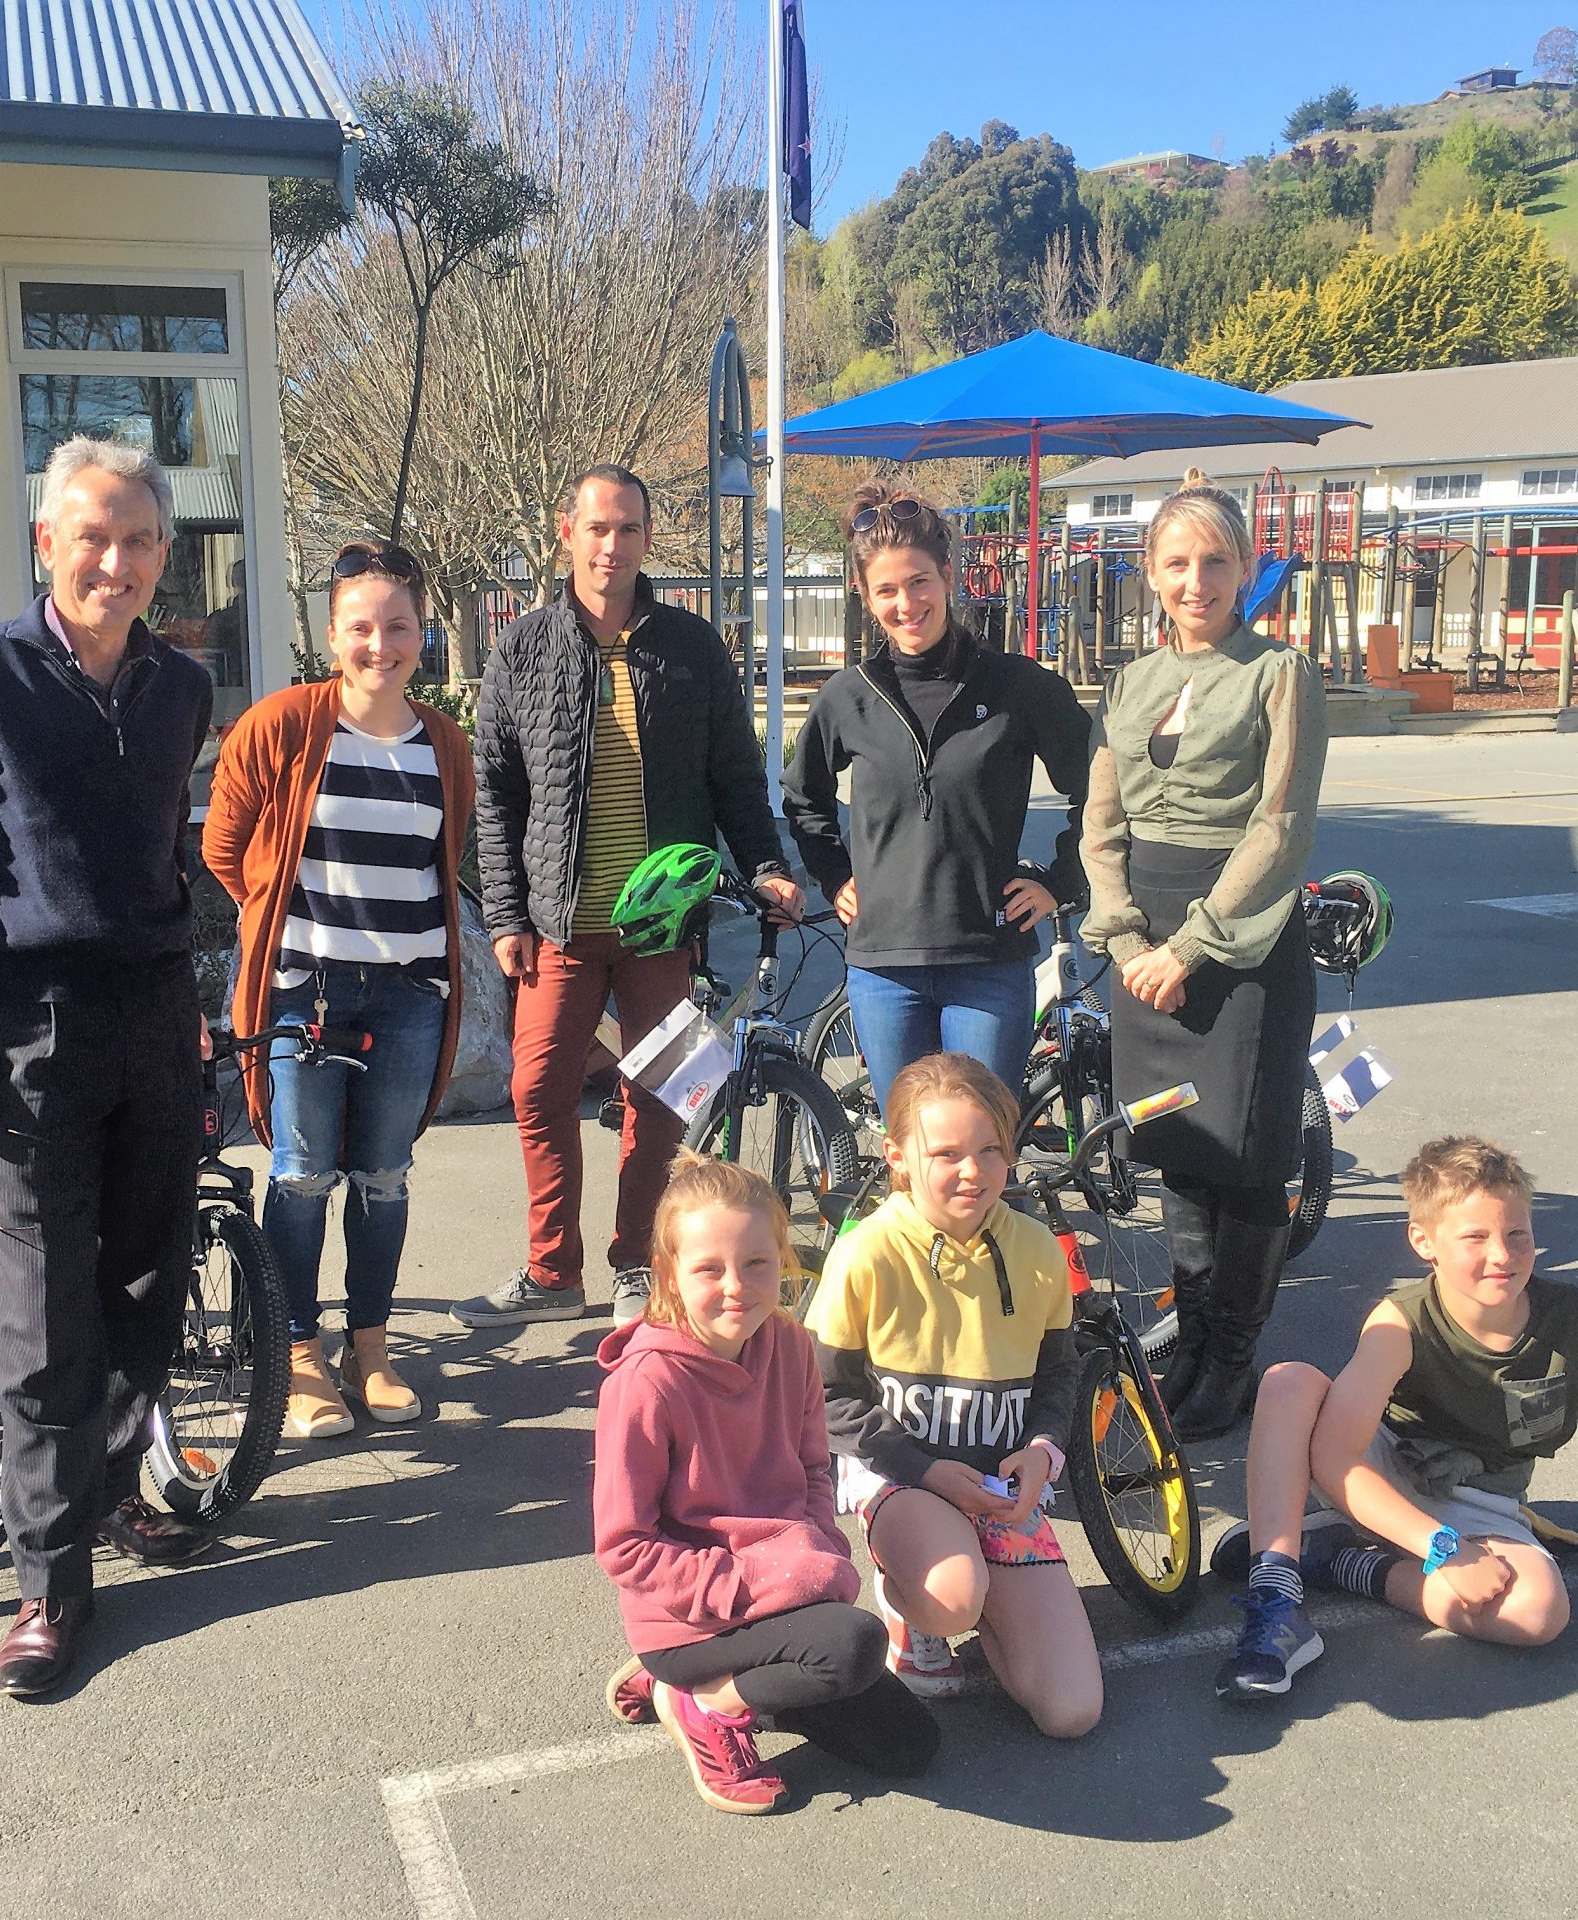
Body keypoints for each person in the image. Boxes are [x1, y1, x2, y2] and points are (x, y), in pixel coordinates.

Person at [0, 436, 218, 1697]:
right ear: (47, 542)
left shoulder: (178, 690)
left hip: (150, 1013)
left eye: (141, 541)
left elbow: (163, 862)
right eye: (94, 535)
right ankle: (47, 1583)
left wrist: (187, 1004)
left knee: (147, 1281)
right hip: (28, 1027)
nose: (118, 561)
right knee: (42, 1314)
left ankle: (124, 1481)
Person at [1211, 1135, 1578, 1701]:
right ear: (1424, 1241)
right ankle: (1276, 1599)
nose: (1502, 1254)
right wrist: (1445, 1549)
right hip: (1380, 1474)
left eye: (1518, 1234)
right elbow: (1336, 1458)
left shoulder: (1570, 1315)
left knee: (1537, 1614)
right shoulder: (1400, 1323)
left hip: (1478, 1504)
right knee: (1288, 1381)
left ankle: (1337, 1561)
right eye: (1476, 1236)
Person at [457, 465, 801, 1332]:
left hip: (661, 928)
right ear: (565, 532)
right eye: (598, 527)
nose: (613, 545)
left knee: (661, 1097)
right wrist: (504, 915)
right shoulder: (523, 649)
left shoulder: (691, 649)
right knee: (536, 1090)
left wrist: (762, 865)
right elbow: (492, 795)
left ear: (648, 539)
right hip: (557, 927)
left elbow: (735, 776)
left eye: (629, 529)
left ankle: (635, 1265)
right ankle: (551, 1268)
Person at [201, 541, 476, 1441]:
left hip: (409, 993)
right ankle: (296, 1357)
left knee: (385, 1177)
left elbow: (446, 854)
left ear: (422, 631)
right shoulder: (282, 725)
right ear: (332, 634)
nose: (380, 644)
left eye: (398, 625)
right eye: (361, 626)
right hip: (305, 990)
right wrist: (283, 924)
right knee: (303, 1171)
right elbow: (225, 848)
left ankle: (372, 1346)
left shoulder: (445, 744)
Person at [1081, 469, 1329, 1442]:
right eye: (1177, 562)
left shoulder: (1279, 675)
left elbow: (1281, 828)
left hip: (1244, 943)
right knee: (1179, 1153)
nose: (1197, 581)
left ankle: (1230, 1356)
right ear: (1150, 572)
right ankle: (1187, 1340)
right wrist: (1128, 938)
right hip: (1144, 949)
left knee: (1250, 1156)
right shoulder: (1130, 683)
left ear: (1247, 569)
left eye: (1215, 562)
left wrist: (1186, 947)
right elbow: (1099, 829)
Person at [594, 1155, 940, 1814]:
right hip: (690, 1618)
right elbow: (625, 1546)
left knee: (910, 1746)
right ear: (669, 1274)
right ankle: (704, 1699)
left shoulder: (788, 1345)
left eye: (757, 1263)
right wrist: (762, 1584)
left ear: (783, 1258)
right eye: (708, 1269)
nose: (736, 1287)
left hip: (782, 1589)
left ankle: (738, 1681)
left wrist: (812, 1554)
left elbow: (813, 1469)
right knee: (855, 1644)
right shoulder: (645, 1385)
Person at [803, 1054, 1102, 1738]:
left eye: (991, 1149)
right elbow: (823, 1393)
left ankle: (985, 1598)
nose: (973, 1171)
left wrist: (1043, 1449)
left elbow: (1059, 1371)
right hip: (903, 1476)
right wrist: (926, 1471)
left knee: (1071, 1712)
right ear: (898, 1156)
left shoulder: (1037, 1250)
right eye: (946, 1153)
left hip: (999, 1485)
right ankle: (917, 1600)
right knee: (953, 1598)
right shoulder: (866, 1253)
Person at [784, 485, 1093, 1104]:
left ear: (948, 577)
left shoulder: (1017, 686)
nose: (907, 603)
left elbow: (1105, 788)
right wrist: (834, 875)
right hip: (882, 967)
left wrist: (1062, 880)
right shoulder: (848, 697)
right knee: (910, 1157)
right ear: (865, 597)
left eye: (919, 582)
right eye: (887, 591)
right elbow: (802, 796)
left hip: (989, 960)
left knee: (978, 1148)